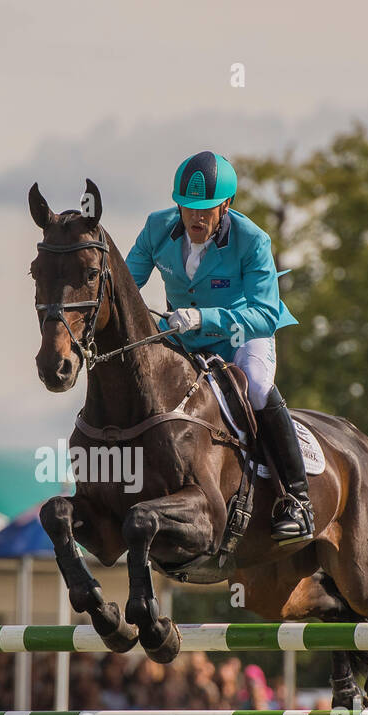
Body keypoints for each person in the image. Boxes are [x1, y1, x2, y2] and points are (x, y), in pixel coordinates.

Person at [126, 150, 314, 541]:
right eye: (189, 207)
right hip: (184, 337)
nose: (196, 217)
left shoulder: (252, 241)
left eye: (207, 209)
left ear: (226, 205)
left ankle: (296, 499)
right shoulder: (155, 228)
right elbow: (127, 289)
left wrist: (203, 318)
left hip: (245, 334)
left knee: (258, 389)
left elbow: (263, 313)